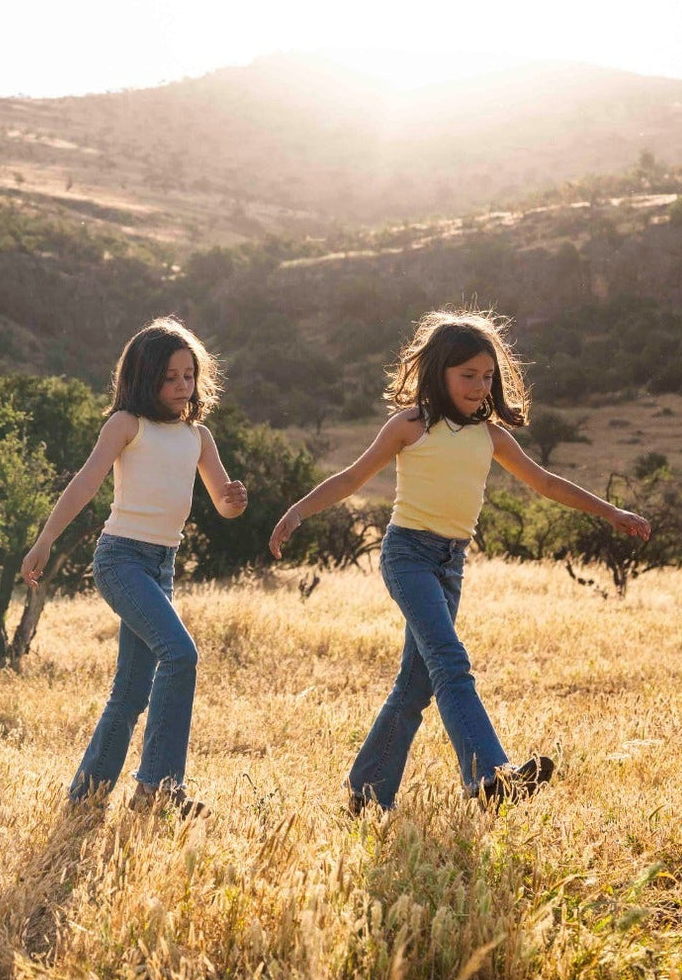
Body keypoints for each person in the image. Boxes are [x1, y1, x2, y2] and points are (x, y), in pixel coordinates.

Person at [269, 309, 650, 811]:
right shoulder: (411, 426)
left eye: (487, 376)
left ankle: (365, 795)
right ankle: (491, 777)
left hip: (451, 563)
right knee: (450, 662)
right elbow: (350, 478)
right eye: (467, 375)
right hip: (408, 556)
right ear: (438, 373)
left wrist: (609, 511)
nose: (478, 386)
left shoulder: (489, 435)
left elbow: (547, 484)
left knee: (414, 686)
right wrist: (297, 512)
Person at [20, 317, 248, 816]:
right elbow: (84, 483)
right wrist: (45, 541)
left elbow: (224, 504)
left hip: (161, 567)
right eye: (169, 377)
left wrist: (235, 500)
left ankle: (85, 798)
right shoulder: (127, 425)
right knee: (181, 655)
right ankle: (159, 788)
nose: (181, 385)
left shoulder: (199, 437)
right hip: (121, 559)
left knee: (129, 693)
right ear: (144, 378)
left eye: (188, 375)